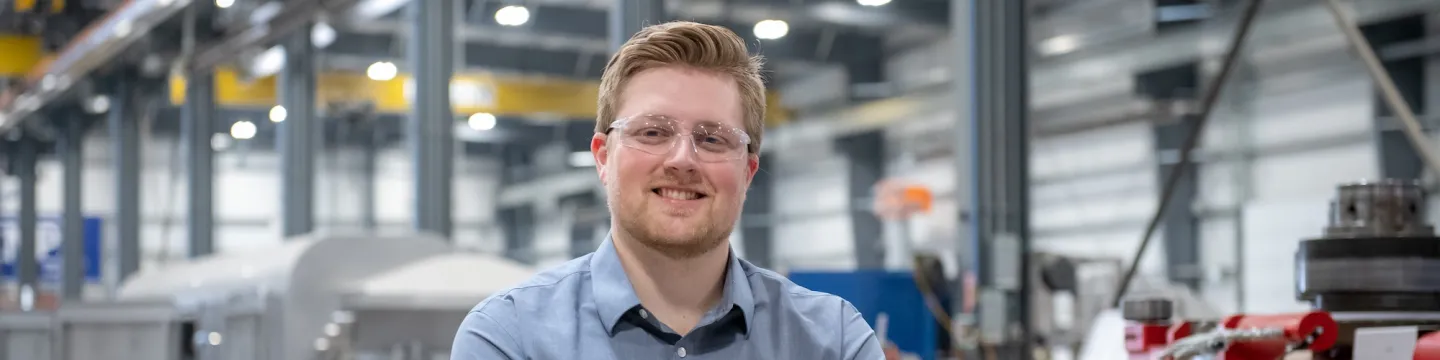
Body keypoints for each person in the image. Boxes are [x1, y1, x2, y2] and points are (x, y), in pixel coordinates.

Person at [449, 21, 885, 359]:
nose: (682, 159)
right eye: (653, 132)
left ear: (749, 172)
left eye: (713, 138)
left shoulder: (834, 340)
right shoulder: (510, 337)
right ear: (603, 157)